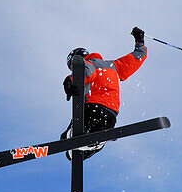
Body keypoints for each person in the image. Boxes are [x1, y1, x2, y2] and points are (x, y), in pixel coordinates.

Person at [62, 27, 147, 159]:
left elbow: (87, 73)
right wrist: (139, 41)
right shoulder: (114, 65)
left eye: (72, 67)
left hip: (92, 110)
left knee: (64, 140)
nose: (72, 69)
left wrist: (69, 81)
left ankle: (72, 139)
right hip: (110, 116)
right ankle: (96, 143)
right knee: (93, 138)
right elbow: (136, 59)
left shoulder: (88, 64)